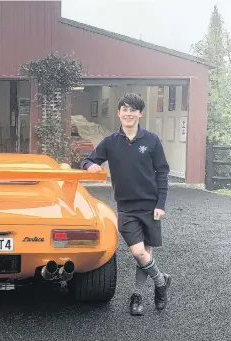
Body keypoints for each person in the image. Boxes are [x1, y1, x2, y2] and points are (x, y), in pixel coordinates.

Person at [81, 93, 171, 316]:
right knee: (139, 253)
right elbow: (88, 159)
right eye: (124, 109)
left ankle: (137, 297)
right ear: (119, 113)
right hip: (127, 207)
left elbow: (162, 172)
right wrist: (90, 166)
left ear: (140, 113)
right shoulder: (111, 141)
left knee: (146, 254)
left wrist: (161, 204)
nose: (128, 113)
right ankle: (161, 282)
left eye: (133, 110)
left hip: (150, 206)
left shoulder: (152, 140)